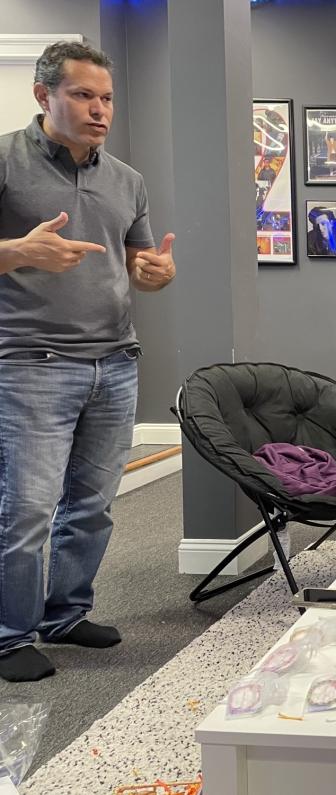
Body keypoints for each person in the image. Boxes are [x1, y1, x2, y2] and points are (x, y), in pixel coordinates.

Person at [0, 41, 177, 682]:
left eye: (106, 97)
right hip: (30, 363)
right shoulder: (5, 159)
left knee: (94, 503)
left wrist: (157, 273)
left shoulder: (127, 179)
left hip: (115, 362)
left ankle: (65, 613)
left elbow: (143, 267)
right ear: (44, 95)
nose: (100, 109)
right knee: (26, 508)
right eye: (83, 95)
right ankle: (9, 634)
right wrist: (18, 252)